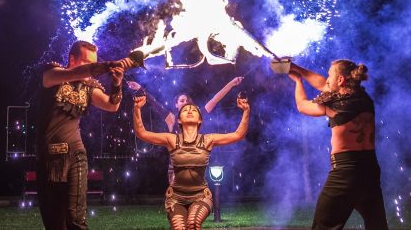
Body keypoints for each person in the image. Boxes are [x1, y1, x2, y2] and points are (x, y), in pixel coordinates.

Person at [35, 40, 139, 230]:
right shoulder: (52, 73)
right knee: (54, 223)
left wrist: (117, 84)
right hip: (49, 158)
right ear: (72, 59)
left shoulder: (89, 87)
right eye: (86, 62)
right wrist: (109, 65)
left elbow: (112, 105)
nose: (90, 66)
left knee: (76, 219)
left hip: (76, 156)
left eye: (94, 62)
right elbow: (75, 73)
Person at [287, 59, 389, 230]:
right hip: (370, 171)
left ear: (341, 80)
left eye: (329, 75)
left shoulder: (335, 105)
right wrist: (297, 68)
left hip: (346, 173)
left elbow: (302, 106)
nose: (326, 79)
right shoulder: (364, 98)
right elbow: (324, 85)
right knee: (377, 226)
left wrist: (298, 81)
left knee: (323, 226)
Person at [132, 94, 250, 230]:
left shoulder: (208, 140)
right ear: (179, 120)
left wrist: (246, 111)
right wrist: (137, 108)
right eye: (185, 110)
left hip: (200, 196)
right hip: (176, 197)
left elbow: (238, 135)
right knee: (179, 228)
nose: (189, 111)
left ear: (200, 120)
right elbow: (141, 132)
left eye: (193, 110)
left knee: (193, 224)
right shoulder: (171, 139)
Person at [127, 77, 244, 184]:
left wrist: (231, 83)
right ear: (176, 105)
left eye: (187, 101)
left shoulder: (197, 116)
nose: (185, 103)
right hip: (176, 167)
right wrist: (140, 88)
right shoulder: (172, 119)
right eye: (182, 101)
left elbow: (214, 100)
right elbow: (154, 103)